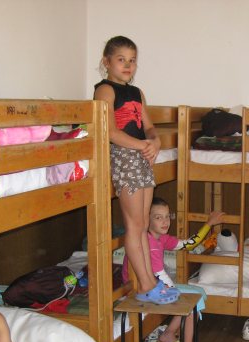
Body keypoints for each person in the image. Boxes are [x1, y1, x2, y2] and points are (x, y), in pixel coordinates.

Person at [94, 35, 177, 305]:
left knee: (143, 225)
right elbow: (110, 132)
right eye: (121, 60)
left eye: (132, 60)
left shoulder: (137, 92)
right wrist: (143, 145)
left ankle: (149, 280)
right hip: (124, 155)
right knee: (134, 225)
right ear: (107, 62)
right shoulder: (105, 90)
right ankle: (145, 285)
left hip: (141, 156)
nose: (128, 65)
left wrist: (156, 141)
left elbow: (148, 126)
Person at [123, 197, 225, 342]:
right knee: (193, 302)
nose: (165, 221)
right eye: (158, 217)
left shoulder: (160, 238)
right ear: (147, 220)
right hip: (142, 290)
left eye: (167, 216)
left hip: (156, 285)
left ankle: (168, 335)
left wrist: (209, 224)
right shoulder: (148, 242)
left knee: (199, 292)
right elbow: (158, 274)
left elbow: (189, 244)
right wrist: (181, 296)